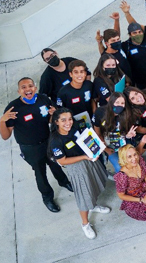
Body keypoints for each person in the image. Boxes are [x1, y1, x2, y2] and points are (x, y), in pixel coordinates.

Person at [1, 78, 71, 212]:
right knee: (40, 173)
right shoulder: (13, 108)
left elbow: (51, 120)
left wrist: (53, 115)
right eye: (23, 87)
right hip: (31, 148)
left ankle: (64, 182)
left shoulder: (43, 100)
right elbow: (5, 136)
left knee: (56, 164)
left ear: (35, 88)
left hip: (48, 141)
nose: (28, 89)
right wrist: (2, 121)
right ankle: (47, 197)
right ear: (18, 91)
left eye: (30, 86)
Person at [48, 108, 109, 239]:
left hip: (87, 159)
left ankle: (93, 205)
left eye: (70, 119)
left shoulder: (74, 128)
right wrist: (85, 157)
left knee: (92, 185)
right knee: (83, 195)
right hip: (76, 166)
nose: (68, 122)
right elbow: (63, 160)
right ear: (56, 122)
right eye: (63, 120)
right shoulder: (55, 141)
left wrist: (95, 149)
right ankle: (85, 224)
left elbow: (85, 140)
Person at [92, 92, 137, 174]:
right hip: (108, 145)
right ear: (111, 102)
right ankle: (122, 185)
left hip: (123, 143)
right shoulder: (100, 112)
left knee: (132, 163)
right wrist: (106, 149)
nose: (119, 105)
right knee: (119, 167)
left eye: (122, 103)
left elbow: (126, 133)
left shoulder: (127, 114)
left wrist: (128, 135)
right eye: (117, 102)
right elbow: (97, 132)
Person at [121, 22, 146, 89]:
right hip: (137, 81)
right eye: (134, 33)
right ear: (130, 35)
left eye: (139, 32)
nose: (138, 34)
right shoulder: (125, 46)